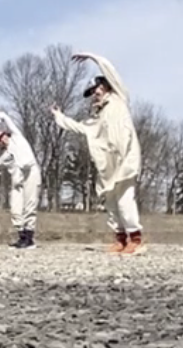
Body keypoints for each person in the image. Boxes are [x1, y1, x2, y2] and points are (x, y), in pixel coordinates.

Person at [51, 51, 143, 254]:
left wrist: (92, 57)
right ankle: (120, 239)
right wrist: (59, 116)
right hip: (107, 167)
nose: (95, 93)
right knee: (111, 202)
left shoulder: (119, 98)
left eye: (97, 89)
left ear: (106, 86)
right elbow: (77, 127)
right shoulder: (94, 118)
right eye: (92, 91)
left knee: (125, 199)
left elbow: (110, 69)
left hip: (125, 159)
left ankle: (135, 239)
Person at [0, 108, 42, 249]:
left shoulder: (17, 137)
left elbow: (6, 117)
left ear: (6, 135)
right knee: (16, 208)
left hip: (31, 173)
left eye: (2, 138)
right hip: (18, 181)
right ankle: (21, 237)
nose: (2, 142)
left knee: (30, 205)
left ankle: (29, 239)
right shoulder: (5, 156)